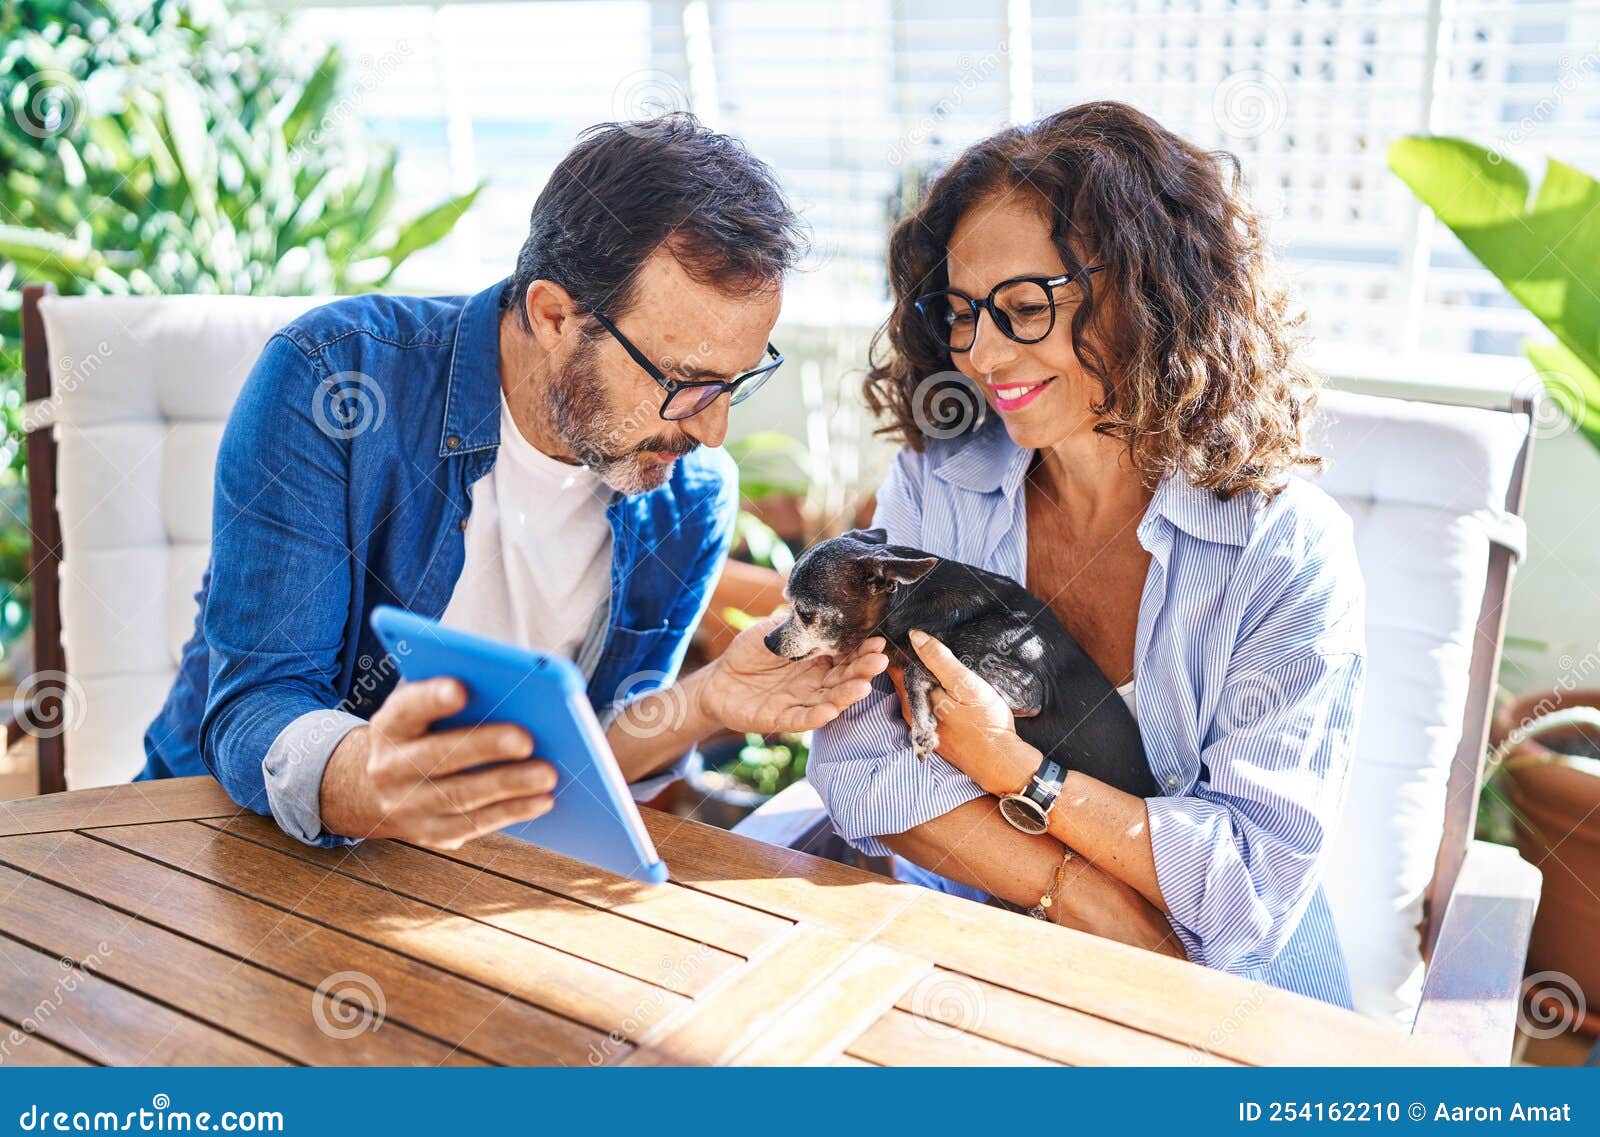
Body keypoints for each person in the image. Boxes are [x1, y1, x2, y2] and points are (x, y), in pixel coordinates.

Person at [138, 114, 887, 850]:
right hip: (217, 847)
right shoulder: (334, 382)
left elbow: (573, 770)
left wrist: (702, 699)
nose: (713, 429)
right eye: (686, 381)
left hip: (464, 882)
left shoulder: (688, 494)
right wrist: (373, 780)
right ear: (554, 315)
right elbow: (255, 704)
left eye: (735, 382)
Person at [808, 102, 1366, 1007]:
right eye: (959, 313)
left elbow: (1249, 886)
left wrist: (1021, 774)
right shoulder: (937, 487)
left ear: (1152, 295)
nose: (980, 351)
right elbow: (858, 764)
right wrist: (1080, 893)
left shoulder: (1283, 551)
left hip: (1226, 1004)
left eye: (1024, 308)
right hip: (980, 957)